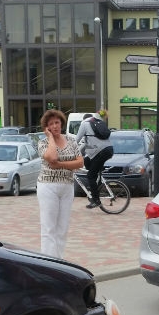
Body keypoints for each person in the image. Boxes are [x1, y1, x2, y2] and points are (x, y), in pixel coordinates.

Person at [37, 109, 83, 258]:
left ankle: (60, 260)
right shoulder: (43, 143)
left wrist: (61, 165)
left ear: (61, 123)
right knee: (49, 227)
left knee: (62, 228)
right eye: (51, 124)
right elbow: (52, 158)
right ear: (47, 127)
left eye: (57, 122)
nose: (55, 126)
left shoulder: (71, 140)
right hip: (48, 186)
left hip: (67, 186)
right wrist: (50, 138)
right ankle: (49, 261)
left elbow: (80, 162)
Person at [75, 110, 113, 209]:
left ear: (83, 119)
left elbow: (76, 140)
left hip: (100, 152)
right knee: (87, 162)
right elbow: (84, 143)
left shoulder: (84, 123)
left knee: (90, 175)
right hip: (108, 150)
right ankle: (98, 186)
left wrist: (68, 152)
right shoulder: (98, 122)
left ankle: (96, 200)